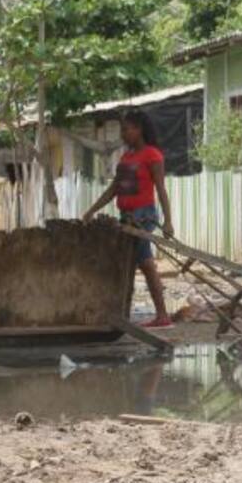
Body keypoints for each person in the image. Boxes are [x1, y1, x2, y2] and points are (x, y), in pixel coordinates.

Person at [83, 109, 175, 329]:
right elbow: (114, 188)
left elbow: (161, 189)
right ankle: (124, 313)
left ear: (139, 129)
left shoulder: (152, 155)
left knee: (144, 263)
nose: (123, 134)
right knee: (131, 264)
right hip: (126, 217)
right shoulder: (126, 157)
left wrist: (168, 221)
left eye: (126, 129)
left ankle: (161, 316)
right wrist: (92, 209)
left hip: (144, 216)